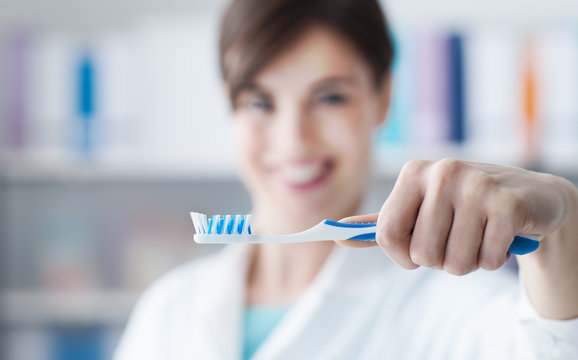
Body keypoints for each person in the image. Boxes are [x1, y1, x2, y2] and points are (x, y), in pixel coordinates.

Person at [114, 0, 578, 359]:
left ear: (383, 97)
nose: (294, 140)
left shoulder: (459, 303)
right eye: (260, 102)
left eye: (330, 97)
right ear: (228, 106)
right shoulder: (169, 310)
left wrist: (564, 226)